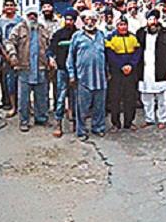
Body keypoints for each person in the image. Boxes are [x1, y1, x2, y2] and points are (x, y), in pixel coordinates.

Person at [6, 6, 53, 132]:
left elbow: (49, 46)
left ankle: (41, 118)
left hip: (40, 67)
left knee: (41, 96)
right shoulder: (19, 28)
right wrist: (12, 55)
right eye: (30, 15)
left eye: (34, 14)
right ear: (26, 16)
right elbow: (9, 42)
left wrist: (51, 59)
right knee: (24, 98)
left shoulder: (42, 29)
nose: (32, 17)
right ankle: (24, 121)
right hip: (25, 67)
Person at [67, 10, 108, 140]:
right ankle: (81, 131)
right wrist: (72, 75)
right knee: (82, 107)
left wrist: (108, 71)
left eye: (93, 20)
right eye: (87, 19)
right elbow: (70, 58)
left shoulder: (102, 35)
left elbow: (107, 56)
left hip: (100, 77)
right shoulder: (77, 36)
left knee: (99, 106)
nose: (90, 22)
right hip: (83, 77)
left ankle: (98, 127)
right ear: (83, 21)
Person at [136, 9, 166, 129]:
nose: (152, 22)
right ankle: (149, 118)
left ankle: (162, 119)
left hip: (160, 68)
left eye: (154, 19)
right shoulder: (140, 33)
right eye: (150, 19)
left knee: (161, 98)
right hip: (145, 69)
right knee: (146, 97)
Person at [105, 16, 142, 132]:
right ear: (117, 26)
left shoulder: (133, 37)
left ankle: (129, 122)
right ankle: (116, 123)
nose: (123, 27)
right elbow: (110, 54)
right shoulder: (111, 37)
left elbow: (137, 53)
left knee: (130, 98)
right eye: (120, 25)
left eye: (124, 24)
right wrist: (121, 66)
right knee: (115, 98)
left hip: (131, 71)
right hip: (117, 72)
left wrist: (131, 65)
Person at [48, 8, 78, 138]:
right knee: (60, 98)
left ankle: (76, 123)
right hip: (61, 70)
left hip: (77, 71)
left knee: (76, 98)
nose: (69, 22)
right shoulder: (58, 34)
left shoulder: (79, 34)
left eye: (71, 19)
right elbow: (50, 50)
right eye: (67, 19)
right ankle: (58, 123)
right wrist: (51, 59)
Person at [0, 0, 23, 116]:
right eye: (7, 5)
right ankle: (13, 106)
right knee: (9, 82)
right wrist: (6, 55)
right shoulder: (0, 22)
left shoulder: (20, 20)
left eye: (12, 5)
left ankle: (24, 106)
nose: (9, 7)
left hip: (21, 55)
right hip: (6, 56)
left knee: (22, 82)